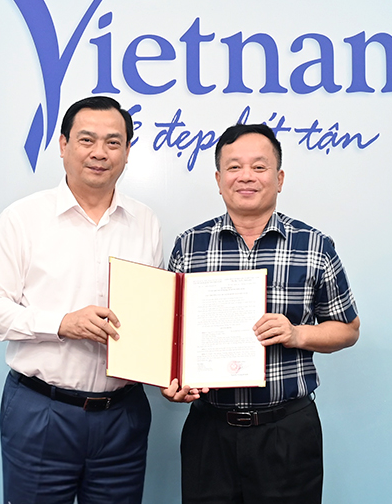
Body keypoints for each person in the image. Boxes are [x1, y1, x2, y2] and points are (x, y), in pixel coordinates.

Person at [0, 96, 161, 504]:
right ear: (63, 145)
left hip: (123, 414)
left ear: (128, 151)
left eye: (113, 142)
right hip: (43, 410)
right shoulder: (23, 218)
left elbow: (155, 315)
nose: (99, 153)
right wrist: (61, 324)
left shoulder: (145, 221)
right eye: (86, 139)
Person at [163, 123, 360, 504]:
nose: (246, 176)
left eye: (259, 166)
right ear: (219, 180)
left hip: (287, 430)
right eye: (234, 167)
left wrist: (297, 334)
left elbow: (348, 329)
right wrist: (170, 382)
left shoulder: (314, 245)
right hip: (209, 431)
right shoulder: (189, 245)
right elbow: (170, 335)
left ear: (279, 178)